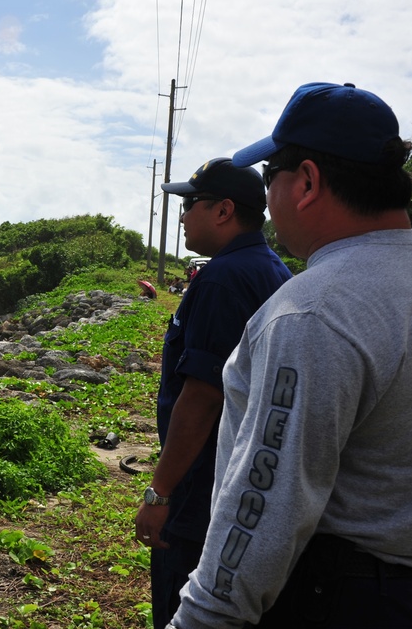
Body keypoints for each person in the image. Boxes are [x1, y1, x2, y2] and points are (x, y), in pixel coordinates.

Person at [166, 83, 412, 629]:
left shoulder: (316, 312)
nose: (269, 198)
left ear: (305, 182)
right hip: (410, 595)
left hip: (330, 597)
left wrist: (200, 617)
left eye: (270, 178)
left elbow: (263, 504)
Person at [135, 158, 292, 629]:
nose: (182, 215)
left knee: (182, 599)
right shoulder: (270, 269)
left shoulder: (223, 279)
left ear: (223, 211)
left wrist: (160, 493)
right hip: (240, 475)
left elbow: (203, 397)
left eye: (189, 204)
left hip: (202, 482)